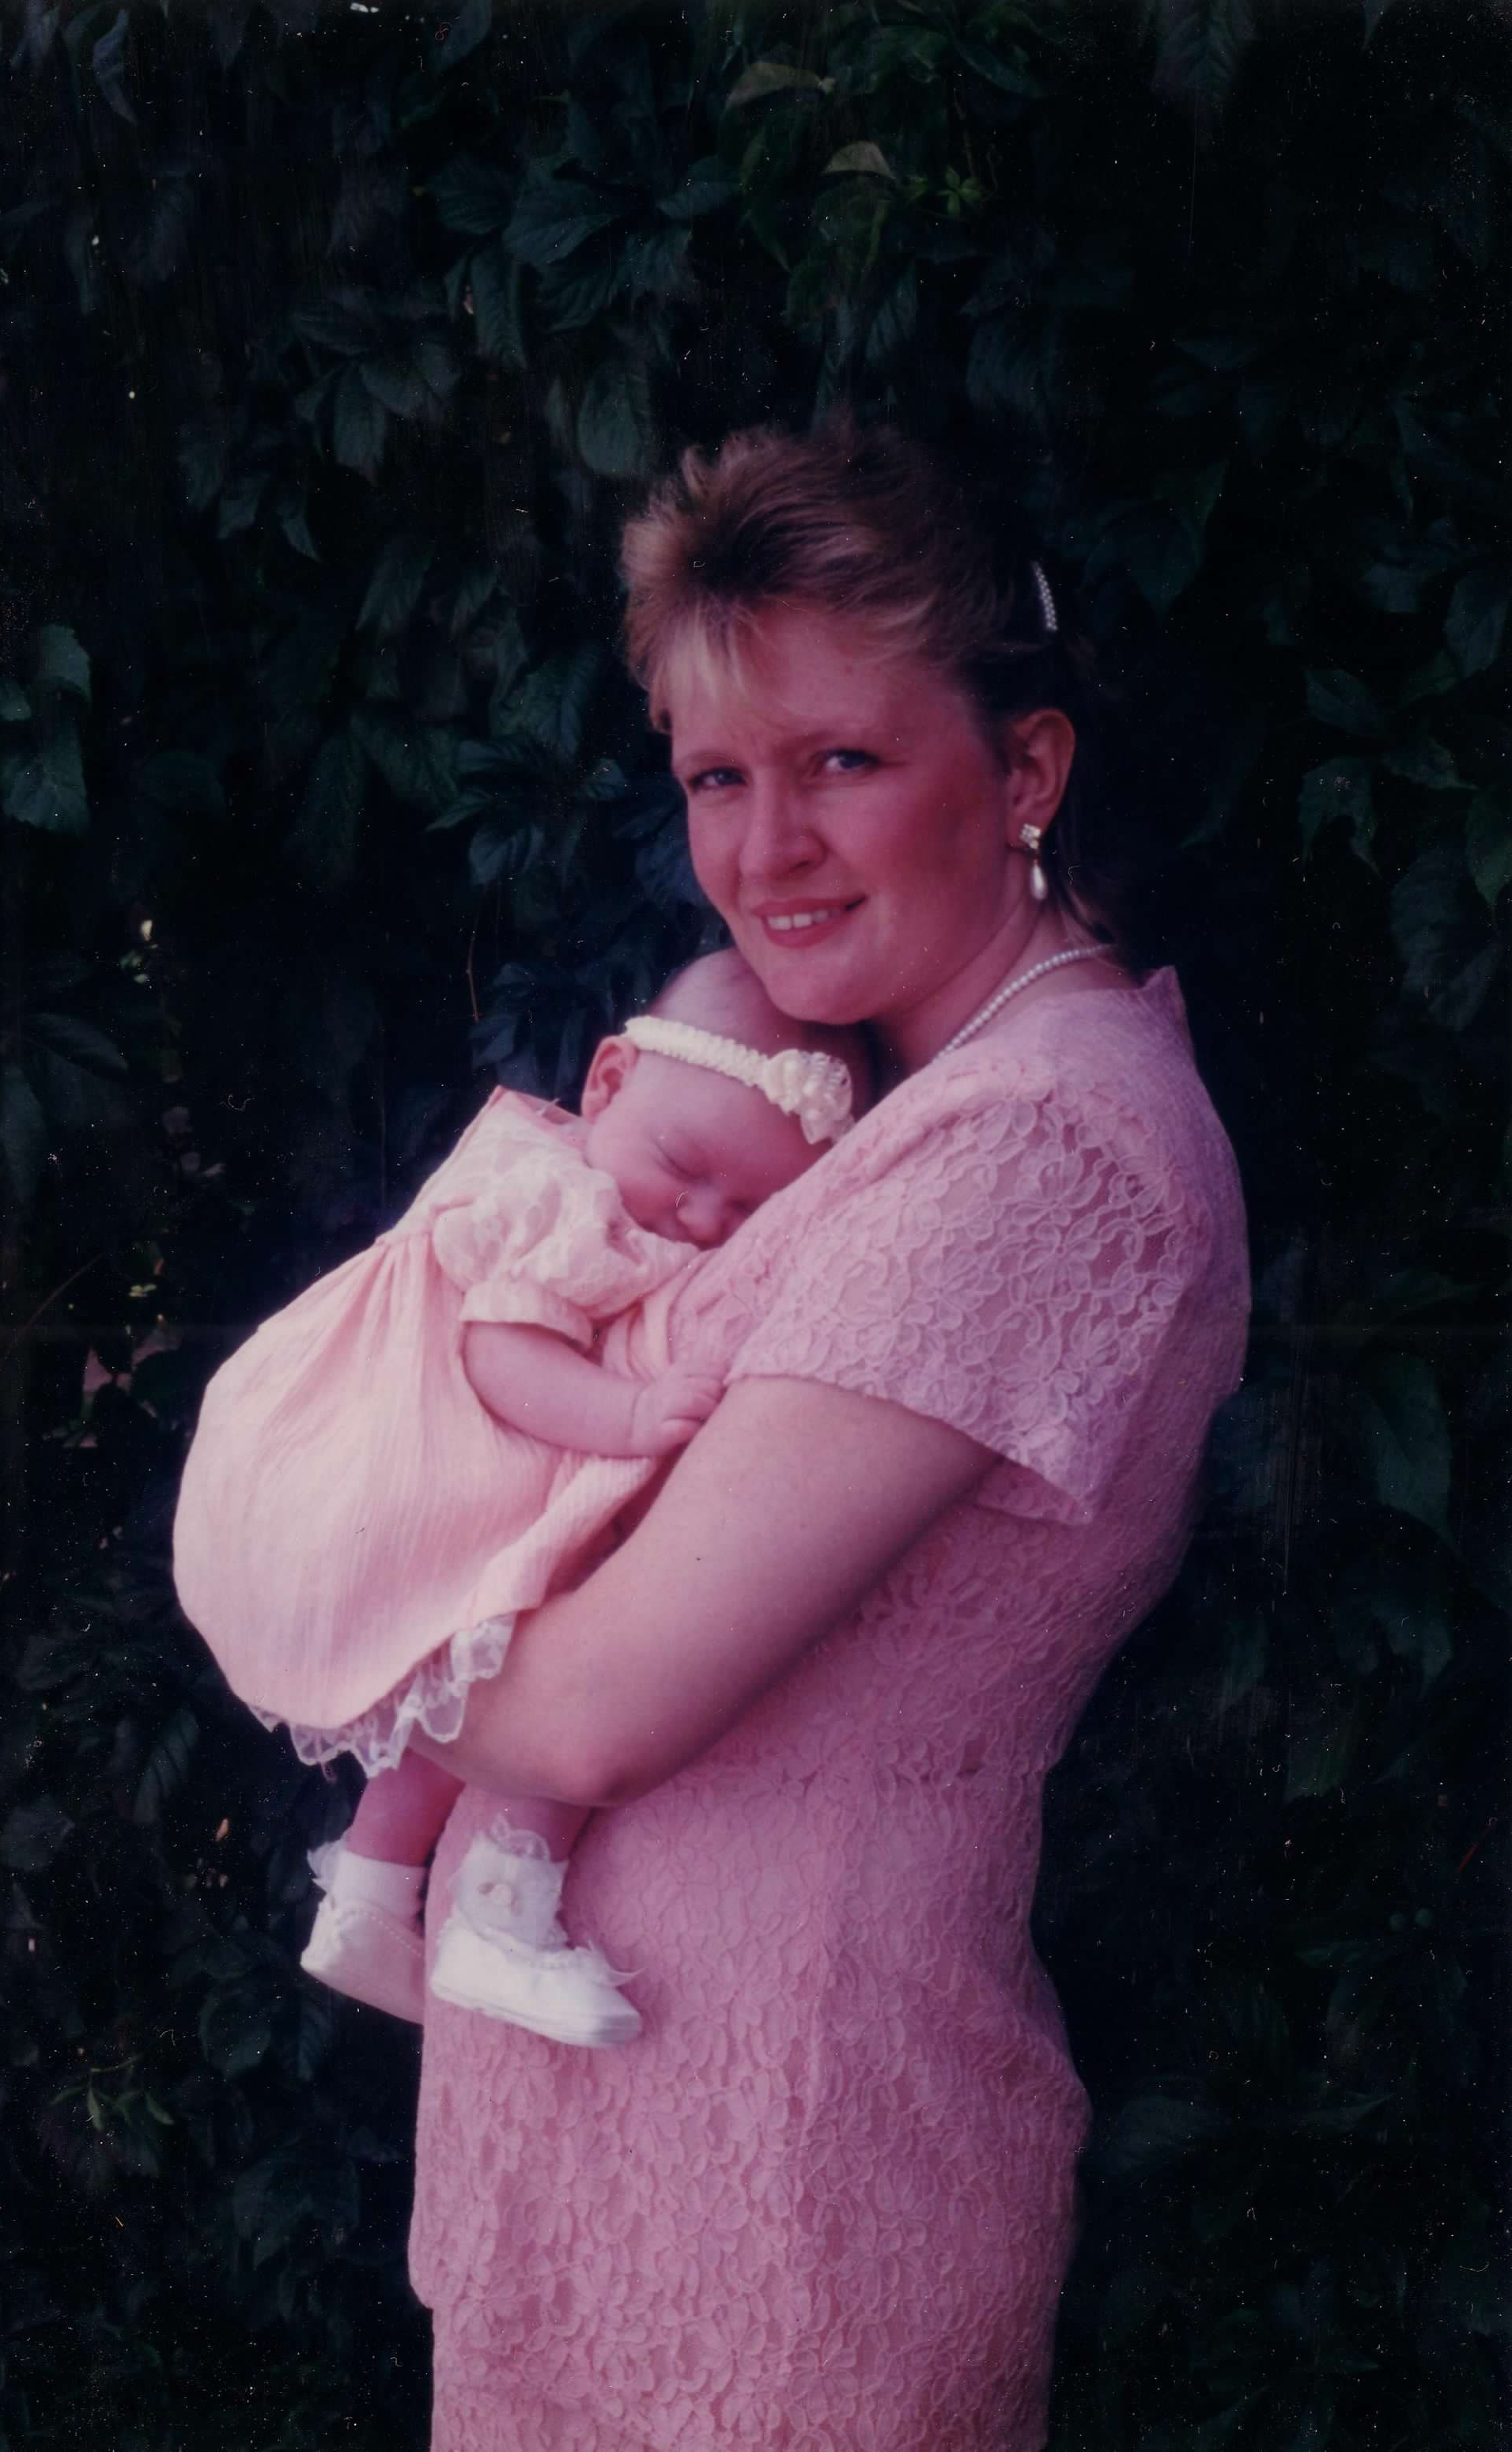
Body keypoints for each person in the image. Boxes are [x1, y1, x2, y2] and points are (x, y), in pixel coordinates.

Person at [382, 416, 1251, 2452]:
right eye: (716, 778)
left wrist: (316, 1576)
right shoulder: (866, 1113)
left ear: (1023, 771)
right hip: (586, 2162)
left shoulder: (1043, 1143)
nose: (763, 851)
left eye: (841, 762)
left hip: (796, 2208)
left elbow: (592, 1708)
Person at [172, 951, 868, 2049]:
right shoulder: (561, 1196)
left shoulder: (582, 1171)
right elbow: (503, 1355)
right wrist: (632, 1419)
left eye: (747, 1209)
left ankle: (364, 1899)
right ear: (605, 1083)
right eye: (685, 1167)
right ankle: (505, 1913)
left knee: (449, 1680)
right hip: (424, 1451)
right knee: (586, 1630)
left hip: (420, 1460)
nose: (698, 1216)